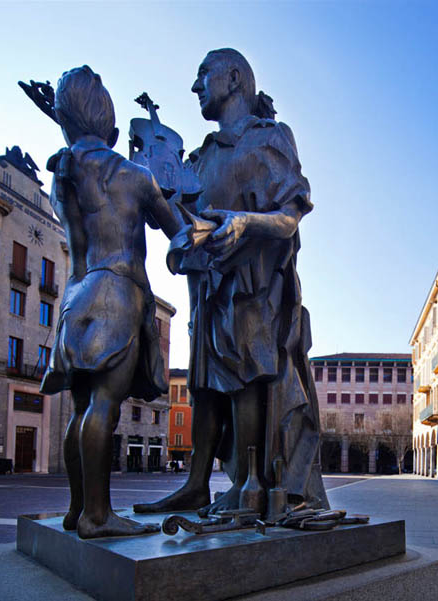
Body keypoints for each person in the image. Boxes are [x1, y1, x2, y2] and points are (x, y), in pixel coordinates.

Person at [135, 49, 328, 516]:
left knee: (245, 376)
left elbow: (290, 216)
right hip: (207, 287)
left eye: (204, 74)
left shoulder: (268, 138)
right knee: (203, 385)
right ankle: (196, 483)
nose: (195, 86)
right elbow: (183, 222)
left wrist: (244, 223)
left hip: (252, 285)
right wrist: (154, 194)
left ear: (235, 78)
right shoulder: (200, 158)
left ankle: (250, 485)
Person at [39, 65, 185, 538]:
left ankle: (77, 510)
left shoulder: (63, 173)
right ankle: (98, 516)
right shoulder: (134, 175)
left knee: (80, 407)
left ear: (65, 123)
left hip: (75, 297)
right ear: (115, 130)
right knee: (105, 404)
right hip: (118, 292)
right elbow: (177, 230)